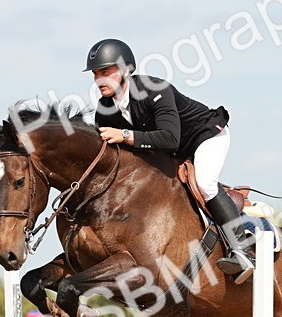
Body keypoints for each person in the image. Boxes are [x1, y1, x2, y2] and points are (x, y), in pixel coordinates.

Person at [84, 38, 255, 283]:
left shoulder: (154, 89)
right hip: (170, 151)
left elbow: (170, 139)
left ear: (125, 70)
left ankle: (242, 250)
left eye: (105, 72)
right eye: (95, 74)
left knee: (206, 182)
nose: (99, 79)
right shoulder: (105, 108)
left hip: (204, 136)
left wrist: (123, 135)